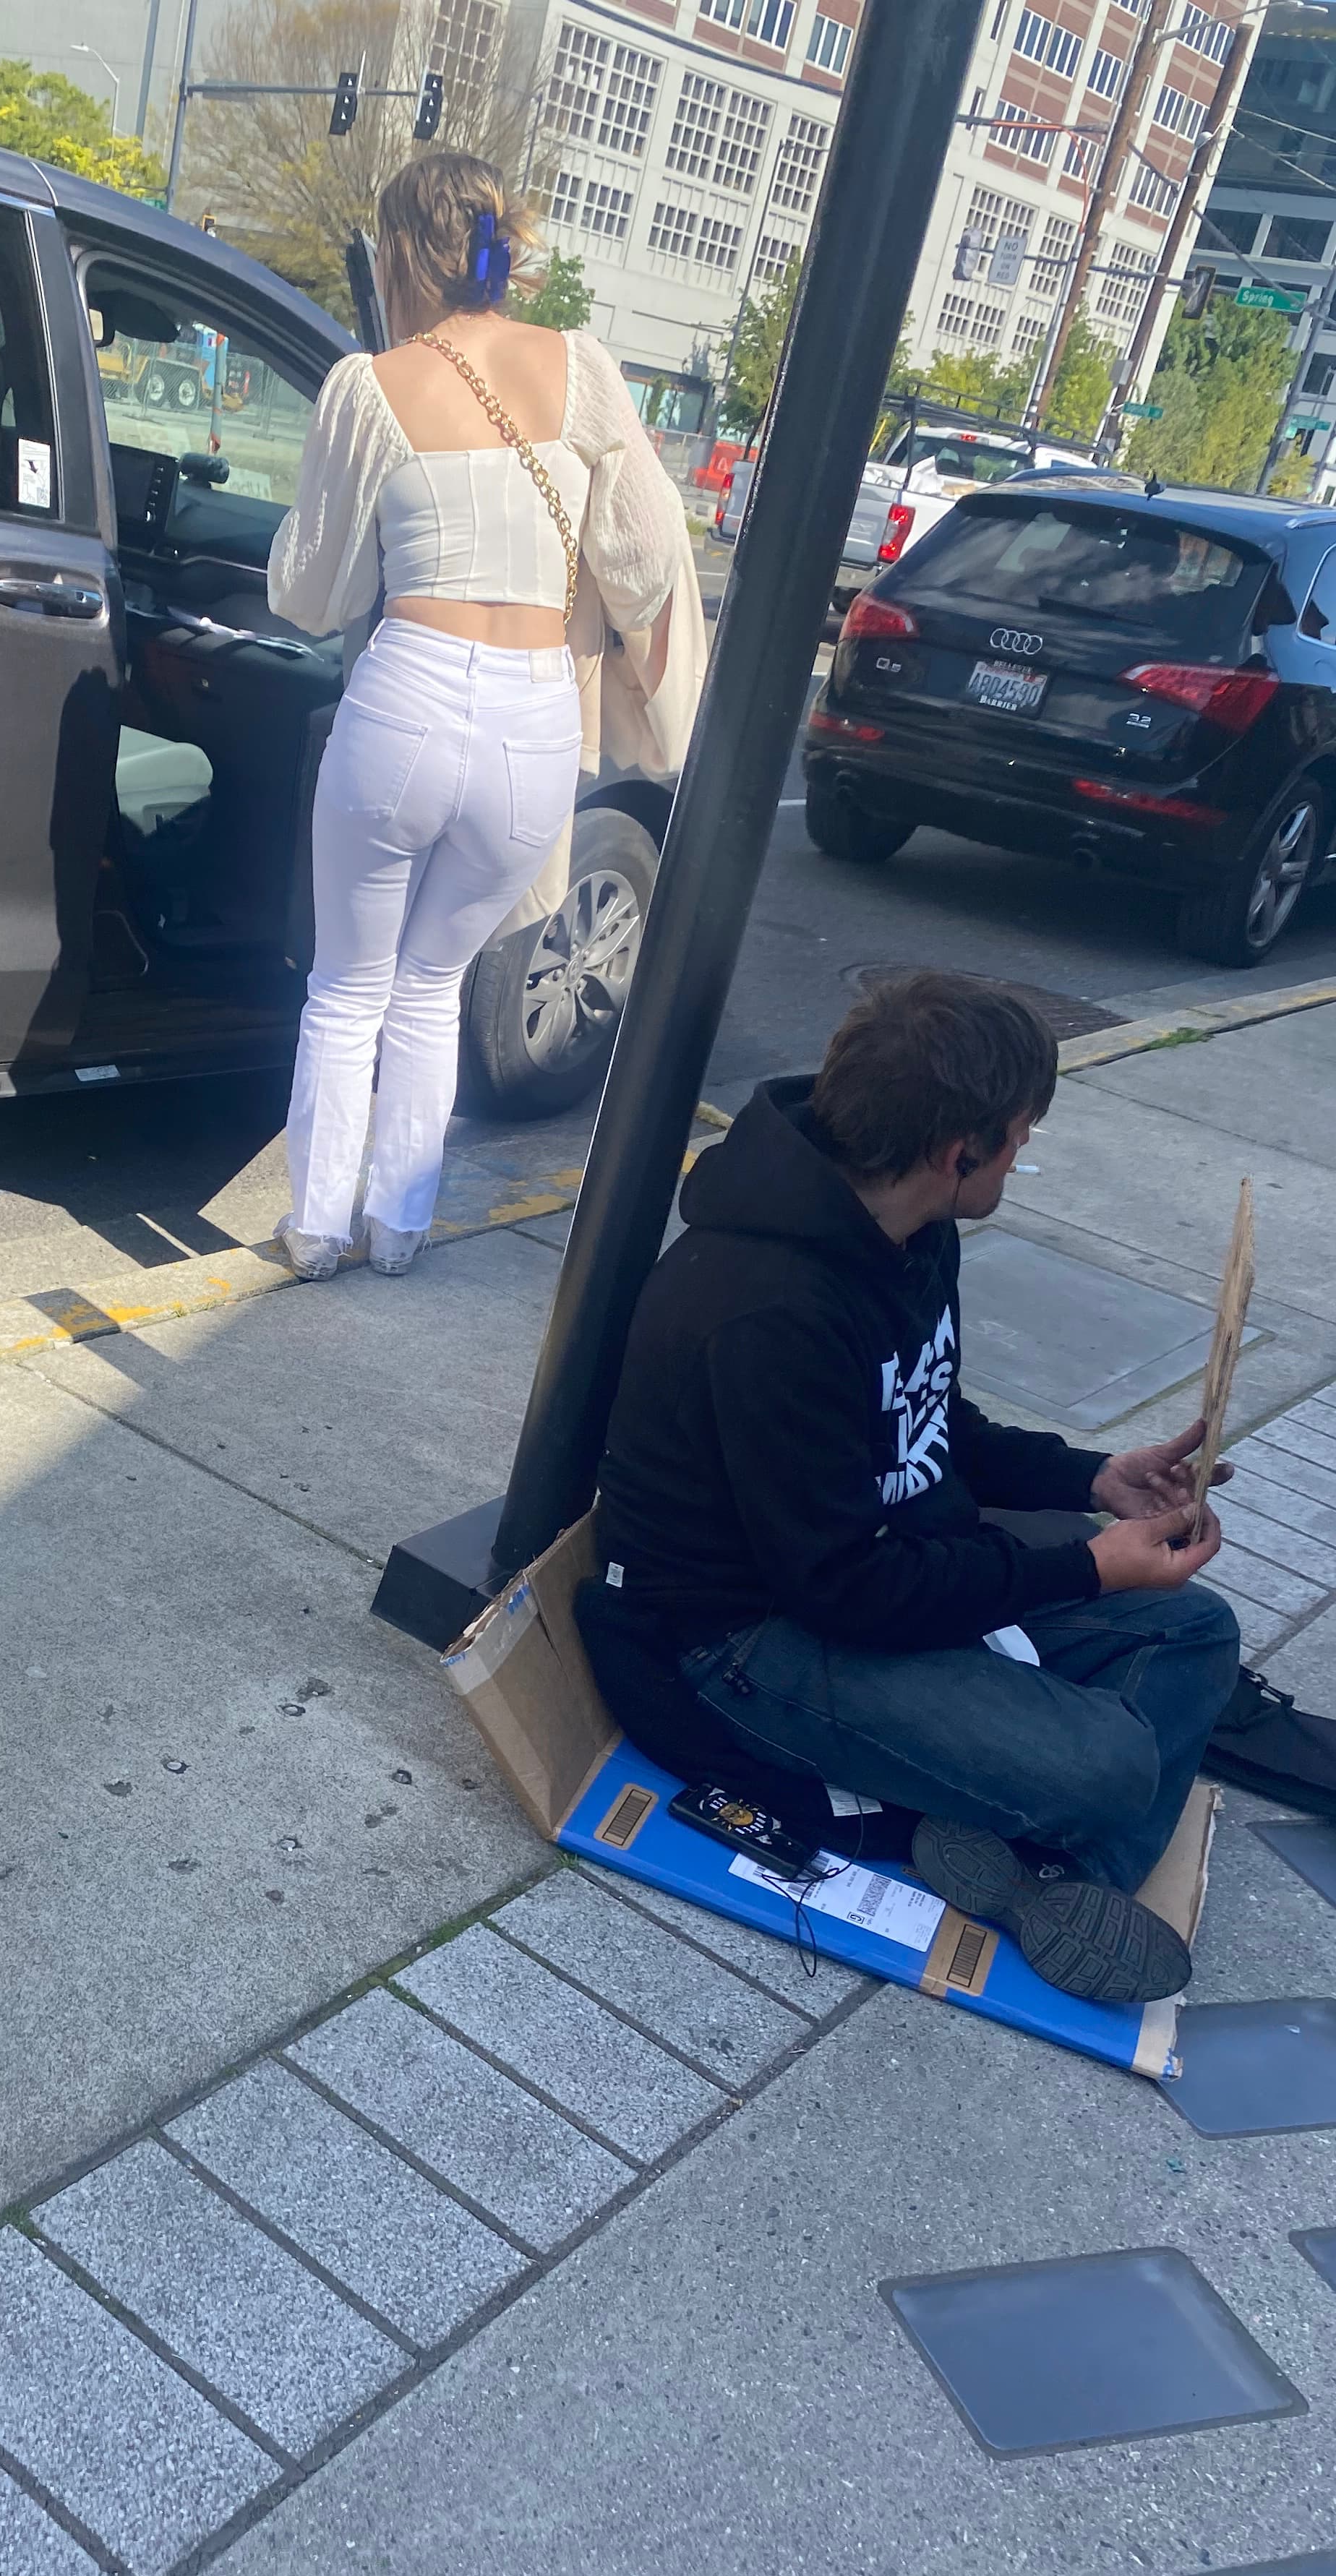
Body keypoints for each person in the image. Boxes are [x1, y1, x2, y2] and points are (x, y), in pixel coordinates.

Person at [589, 970, 1240, 2007]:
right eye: (1020, 1137)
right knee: (1115, 1765)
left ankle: (1054, 1877)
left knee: (1197, 1632)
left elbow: (931, 1420)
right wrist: (1084, 1569)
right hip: (744, 1638)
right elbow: (844, 1589)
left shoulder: (912, 1229)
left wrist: (1091, 1476)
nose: (1022, 1157)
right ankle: (1041, 1844)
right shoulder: (765, 1309)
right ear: (958, 1151)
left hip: (888, 1567)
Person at [265, 150, 702, 1281]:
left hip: (406, 698)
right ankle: (400, 1229)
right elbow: (648, 554)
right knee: (431, 986)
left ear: (397, 253)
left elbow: (311, 592)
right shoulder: (585, 368)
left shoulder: (370, 384)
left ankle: (316, 1229)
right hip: (533, 721)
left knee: (347, 987)